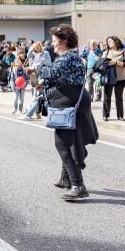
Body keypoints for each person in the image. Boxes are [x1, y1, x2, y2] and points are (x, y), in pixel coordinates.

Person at [41, 23, 98, 201]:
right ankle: (66, 179)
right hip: (71, 100)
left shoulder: (67, 58)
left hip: (69, 102)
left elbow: (50, 73)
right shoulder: (70, 57)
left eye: (55, 41)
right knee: (70, 140)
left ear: (64, 41)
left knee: (63, 143)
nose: (53, 44)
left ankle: (78, 185)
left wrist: (40, 67)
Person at [99, 36, 125, 122]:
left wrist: (116, 62)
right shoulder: (106, 52)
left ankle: (120, 116)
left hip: (120, 77)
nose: (108, 43)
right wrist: (107, 63)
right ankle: (105, 115)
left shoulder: (123, 51)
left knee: (119, 97)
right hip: (109, 78)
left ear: (115, 41)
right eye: (107, 42)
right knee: (107, 97)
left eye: (110, 41)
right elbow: (101, 63)